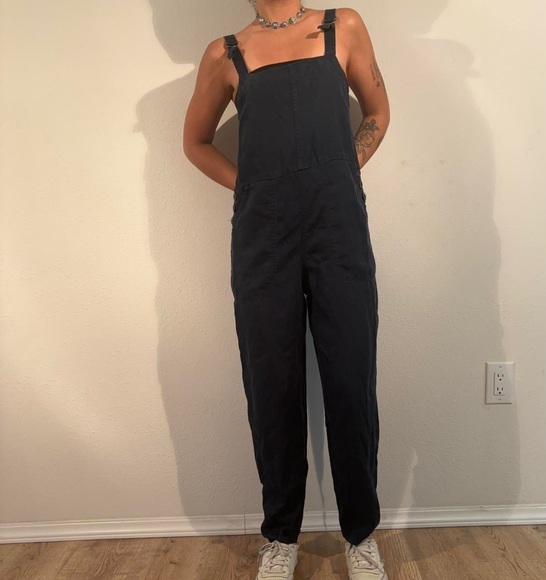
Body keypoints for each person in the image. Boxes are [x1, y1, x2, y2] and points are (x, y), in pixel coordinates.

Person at [183, 2, 390, 578]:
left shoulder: (341, 26)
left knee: (351, 378)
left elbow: (377, 110)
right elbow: (195, 142)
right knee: (271, 383)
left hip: (338, 227)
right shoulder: (225, 53)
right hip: (263, 237)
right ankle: (280, 536)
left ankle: (360, 535)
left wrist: (345, 167)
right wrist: (250, 186)